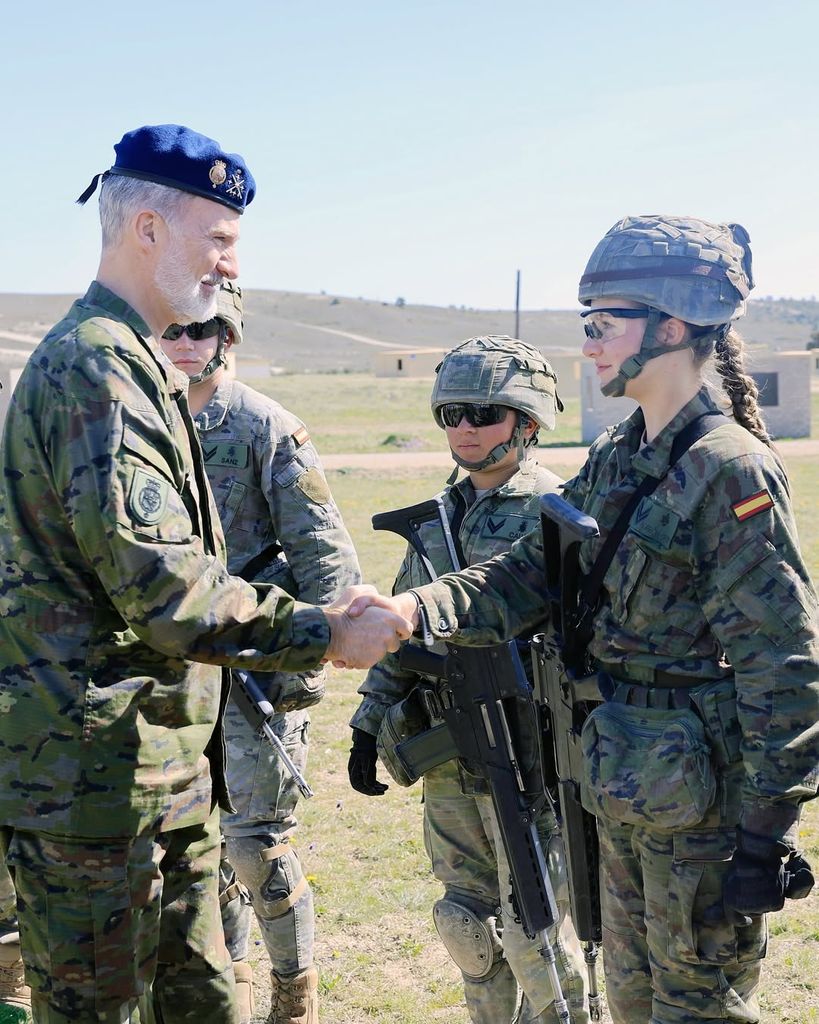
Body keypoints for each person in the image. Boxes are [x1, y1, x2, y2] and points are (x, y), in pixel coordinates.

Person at [350, 216, 819, 1024]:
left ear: (670, 326)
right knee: (631, 1007)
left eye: (604, 325)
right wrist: (414, 607)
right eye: (586, 325)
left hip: (702, 809)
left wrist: (767, 827)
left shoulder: (728, 468)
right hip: (623, 781)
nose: (590, 345)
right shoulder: (621, 453)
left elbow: (783, 661)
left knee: (697, 1010)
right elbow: (532, 572)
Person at [0, 123, 410, 1024]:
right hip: (93, 790)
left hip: (154, 777)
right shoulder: (98, 369)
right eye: (218, 238)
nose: (230, 264)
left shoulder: (136, 363)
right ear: (146, 228)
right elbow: (167, 590)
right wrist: (327, 632)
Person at [347, 336, 589, 1024]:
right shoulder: (440, 516)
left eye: (483, 412)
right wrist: (368, 724)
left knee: (534, 931)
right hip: (451, 752)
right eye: (450, 413)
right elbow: (403, 633)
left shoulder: (557, 512)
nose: (464, 428)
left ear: (528, 421)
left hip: (531, 759)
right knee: (467, 927)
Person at [160, 281, 361, 1024]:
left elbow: (324, 553)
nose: (184, 342)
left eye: (201, 328)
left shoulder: (263, 426)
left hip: (254, 674)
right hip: (172, 675)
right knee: (189, 840)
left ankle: (293, 989)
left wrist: (319, 648)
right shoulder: (145, 422)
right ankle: (231, 979)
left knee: (256, 847)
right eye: (173, 328)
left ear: (228, 337)